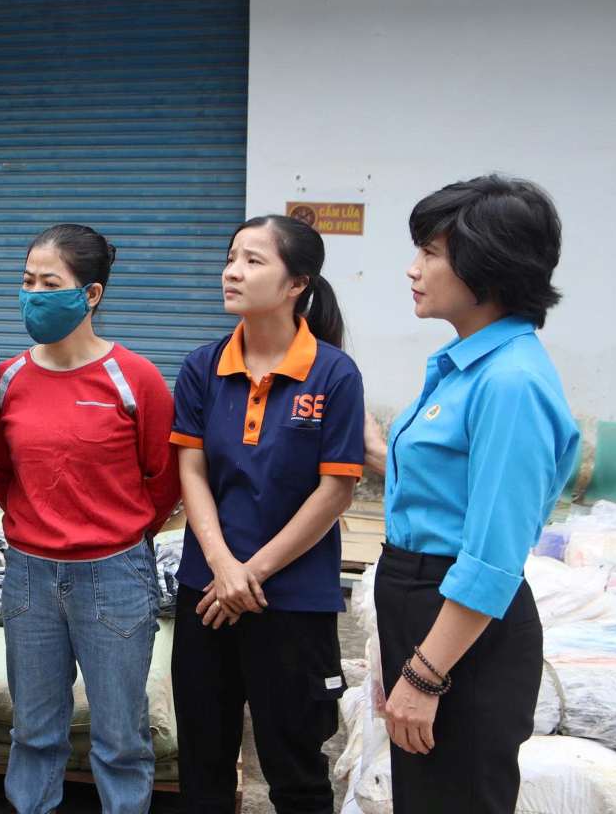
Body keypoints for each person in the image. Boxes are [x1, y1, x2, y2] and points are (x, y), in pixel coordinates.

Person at [377, 175, 578, 814]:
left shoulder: (510, 383)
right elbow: (445, 491)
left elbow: (493, 554)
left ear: (489, 265)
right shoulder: (466, 364)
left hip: (461, 622)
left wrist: (424, 673)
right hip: (422, 604)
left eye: (431, 252)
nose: (413, 269)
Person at [168, 215, 365, 814]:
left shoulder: (333, 373)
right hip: (207, 592)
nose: (232, 271)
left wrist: (249, 574)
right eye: (231, 257)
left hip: (293, 599)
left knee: (296, 768)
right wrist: (222, 567)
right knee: (202, 763)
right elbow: (192, 472)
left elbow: (335, 491)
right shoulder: (202, 366)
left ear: (296, 283)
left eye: (253, 261)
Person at [0, 224, 179, 814]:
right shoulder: (8, 379)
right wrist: (37, 523)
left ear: (91, 294)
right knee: (34, 732)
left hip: (115, 576)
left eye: (50, 284)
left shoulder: (134, 378)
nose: (33, 295)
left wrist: (116, 534)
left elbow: (162, 477)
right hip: (29, 577)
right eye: (27, 281)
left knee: (121, 738)